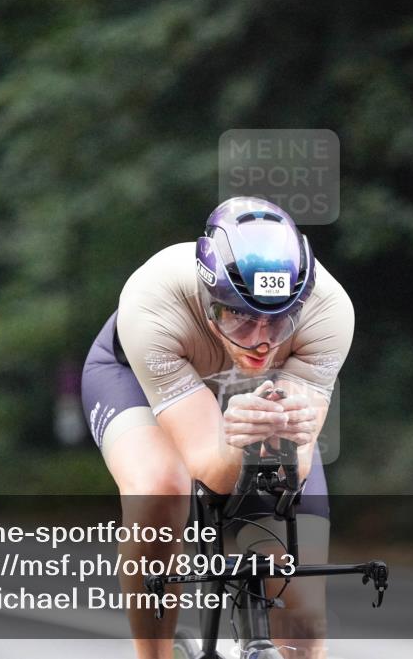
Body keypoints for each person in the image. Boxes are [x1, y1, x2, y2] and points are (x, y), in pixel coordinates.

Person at [81, 196, 354, 659]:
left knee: (303, 631)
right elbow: (211, 468)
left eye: (280, 319)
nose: (263, 340)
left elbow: (294, 471)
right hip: (134, 380)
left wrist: (276, 433)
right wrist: (234, 442)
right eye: (241, 316)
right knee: (162, 487)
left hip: (254, 402)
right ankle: (155, 655)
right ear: (209, 298)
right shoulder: (153, 299)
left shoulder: (329, 311)